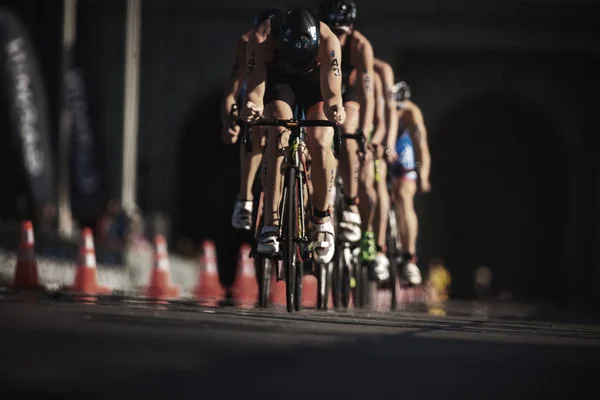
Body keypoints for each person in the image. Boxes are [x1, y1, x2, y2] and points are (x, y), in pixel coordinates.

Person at [241, 8, 346, 265]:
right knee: (277, 128)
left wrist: (335, 109)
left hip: (314, 83)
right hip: (280, 81)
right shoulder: (262, 38)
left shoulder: (327, 40)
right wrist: (253, 107)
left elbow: (332, 93)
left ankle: (322, 218)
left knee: (321, 140)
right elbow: (255, 89)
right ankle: (270, 224)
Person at [221, 7, 286, 231]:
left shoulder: (289, 42)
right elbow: (232, 92)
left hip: (284, 88)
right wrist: (229, 121)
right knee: (255, 127)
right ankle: (244, 197)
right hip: (258, 90)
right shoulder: (247, 43)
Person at [315, 0, 375, 246]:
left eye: (341, 33)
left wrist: (364, 131)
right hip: (322, 91)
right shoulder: (318, 38)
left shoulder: (360, 46)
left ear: (350, 30)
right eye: (332, 30)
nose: (336, 39)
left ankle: (350, 203)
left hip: (348, 94)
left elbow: (367, 93)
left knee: (349, 137)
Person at [358, 57, 398, 282]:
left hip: (377, 125)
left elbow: (390, 110)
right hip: (353, 119)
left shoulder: (382, 69)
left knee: (378, 177)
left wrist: (388, 143)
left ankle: (379, 246)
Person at [388, 80, 432, 286]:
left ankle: (409, 256)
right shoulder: (377, 105)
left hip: (402, 148)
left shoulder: (411, 112)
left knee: (405, 196)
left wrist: (423, 175)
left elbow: (422, 147)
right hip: (381, 145)